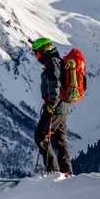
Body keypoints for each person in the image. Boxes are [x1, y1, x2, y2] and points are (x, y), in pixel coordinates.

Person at [32, 37, 73, 177]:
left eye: (37, 53)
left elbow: (54, 83)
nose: (36, 57)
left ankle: (53, 172)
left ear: (44, 50)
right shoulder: (58, 61)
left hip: (54, 106)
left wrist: (52, 104)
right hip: (63, 107)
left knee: (41, 136)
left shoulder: (52, 62)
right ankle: (66, 171)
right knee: (58, 138)